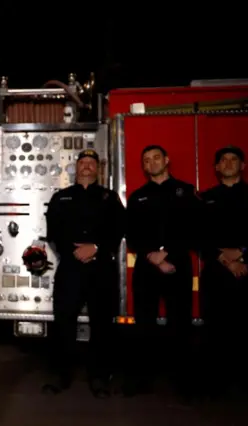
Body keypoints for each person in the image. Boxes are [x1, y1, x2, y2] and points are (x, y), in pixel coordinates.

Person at [42, 149, 126, 398]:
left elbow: (119, 228)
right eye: (83, 162)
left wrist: (97, 248)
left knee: (102, 323)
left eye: (91, 162)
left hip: (102, 269)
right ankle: (61, 374)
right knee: (63, 322)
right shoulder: (62, 197)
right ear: (76, 168)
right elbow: (54, 231)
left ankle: (99, 377)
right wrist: (73, 251)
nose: (87, 166)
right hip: (71, 267)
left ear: (98, 169)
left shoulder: (109, 198)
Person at [124, 145, 200, 398]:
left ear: (166, 160)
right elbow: (132, 235)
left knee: (180, 324)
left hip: (177, 266)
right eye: (146, 160)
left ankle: (185, 383)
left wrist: (167, 252)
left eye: (156, 158)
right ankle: (142, 380)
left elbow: (192, 230)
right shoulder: (137, 197)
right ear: (143, 166)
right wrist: (153, 257)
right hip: (147, 269)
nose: (151, 163)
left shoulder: (186, 192)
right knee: (144, 325)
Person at [199, 146, 248, 398]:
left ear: (242, 166)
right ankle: (215, 384)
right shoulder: (205, 198)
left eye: (234, 159)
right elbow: (197, 235)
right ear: (217, 168)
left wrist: (243, 253)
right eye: (223, 160)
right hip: (216, 272)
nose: (229, 163)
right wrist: (225, 258)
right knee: (215, 329)